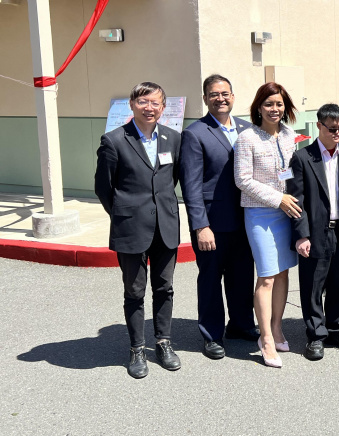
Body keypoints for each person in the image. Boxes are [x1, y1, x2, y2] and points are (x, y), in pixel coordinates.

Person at [94, 82, 182, 379]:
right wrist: (125, 214)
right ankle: (137, 348)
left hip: (166, 226)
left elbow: (172, 179)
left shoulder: (173, 138)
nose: (149, 108)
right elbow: (103, 187)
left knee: (164, 288)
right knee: (134, 291)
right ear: (132, 104)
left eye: (155, 102)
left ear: (163, 107)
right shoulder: (114, 140)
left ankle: (164, 343)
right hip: (130, 228)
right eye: (143, 101)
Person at [179, 74, 259, 361]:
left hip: (246, 219)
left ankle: (241, 324)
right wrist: (200, 226)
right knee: (211, 279)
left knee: (242, 275)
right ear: (205, 99)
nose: (220, 99)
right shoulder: (195, 133)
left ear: (233, 97)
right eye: (214, 94)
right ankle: (212, 334)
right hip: (213, 222)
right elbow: (191, 185)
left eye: (225, 93)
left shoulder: (248, 129)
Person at [287, 104, 339, 361]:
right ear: (319, 126)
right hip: (315, 232)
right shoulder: (302, 158)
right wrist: (301, 235)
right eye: (332, 129)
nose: (338, 134)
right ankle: (316, 335)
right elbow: (296, 200)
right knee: (313, 286)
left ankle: (338, 330)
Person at [234, 82, 300, 368]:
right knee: (267, 277)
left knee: (283, 273)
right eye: (269, 104)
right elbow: (242, 180)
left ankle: (277, 327)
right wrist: (277, 199)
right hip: (260, 214)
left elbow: (294, 172)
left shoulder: (289, 135)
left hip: (288, 212)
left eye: (279, 104)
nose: (275, 109)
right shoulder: (246, 138)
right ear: (258, 107)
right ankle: (266, 339)